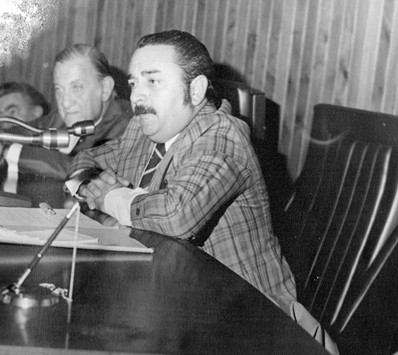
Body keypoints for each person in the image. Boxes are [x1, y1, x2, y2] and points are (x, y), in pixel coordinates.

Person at [67, 30, 296, 313]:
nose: (136, 95)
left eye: (153, 81)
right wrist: (89, 184)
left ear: (195, 90)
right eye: (133, 83)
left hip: (251, 313)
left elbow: (176, 215)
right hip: (175, 295)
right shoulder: (142, 130)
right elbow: (86, 159)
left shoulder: (223, 136)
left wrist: (109, 197)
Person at [0, 43, 132, 206]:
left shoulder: (128, 126)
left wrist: (7, 151)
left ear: (105, 89)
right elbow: (19, 132)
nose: (65, 103)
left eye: (76, 87)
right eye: (59, 90)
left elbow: (83, 167)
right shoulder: (60, 119)